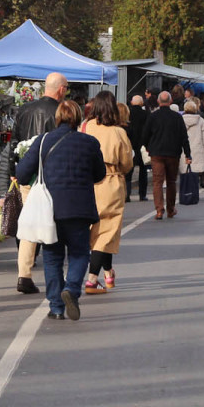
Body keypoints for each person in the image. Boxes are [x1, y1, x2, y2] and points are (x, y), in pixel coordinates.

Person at [15, 100, 106, 320]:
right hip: (79, 208)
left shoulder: (43, 141)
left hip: (49, 209)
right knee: (79, 252)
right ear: (78, 118)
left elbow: (22, 174)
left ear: (57, 117)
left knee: (52, 256)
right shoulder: (90, 142)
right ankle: (72, 289)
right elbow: (100, 174)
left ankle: (56, 307)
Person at [1, 72, 68, 294]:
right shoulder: (60, 111)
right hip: (52, 174)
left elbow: (14, 142)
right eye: (66, 88)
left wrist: (13, 171)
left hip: (27, 174)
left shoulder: (25, 110)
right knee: (51, 221)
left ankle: (24, 274)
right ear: (60, 90)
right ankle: (53, 270)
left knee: (29, 223)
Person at [79, 92, 133, 295]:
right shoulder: (118, 133)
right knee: (107, 231)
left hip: (87, 183)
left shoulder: (85, 127)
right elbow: (127, 164)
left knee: (98, 231)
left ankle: (108, 273)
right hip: (110, 182)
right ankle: (92, 279)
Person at [142, 90, 192, 219]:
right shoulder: (177, 117)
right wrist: (188, 154)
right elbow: (184, 137)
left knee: (157, 182)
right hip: (173, 153)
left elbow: (145, 135)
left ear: (158, 101)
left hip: (156, 153)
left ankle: (159, 210)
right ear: (170, 102)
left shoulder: (153, 116)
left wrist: (148, 147)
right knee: (171, 181)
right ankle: (170, 209)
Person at [181, 98, 204, 191]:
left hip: (184, 150)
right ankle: (194, 189)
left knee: (185, 170)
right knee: (196, 172)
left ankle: (186, 190)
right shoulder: (200, 120)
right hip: (198, 149)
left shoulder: (180, 120)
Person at [127, 94, 150, 202]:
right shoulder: (146, 114)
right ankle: (142, 194)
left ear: (131, 103)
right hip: (142, 145)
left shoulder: (128, 114)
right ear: (142, 103)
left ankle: (127, 194)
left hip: (130, 145)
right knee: (143, 170)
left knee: (128, 171)